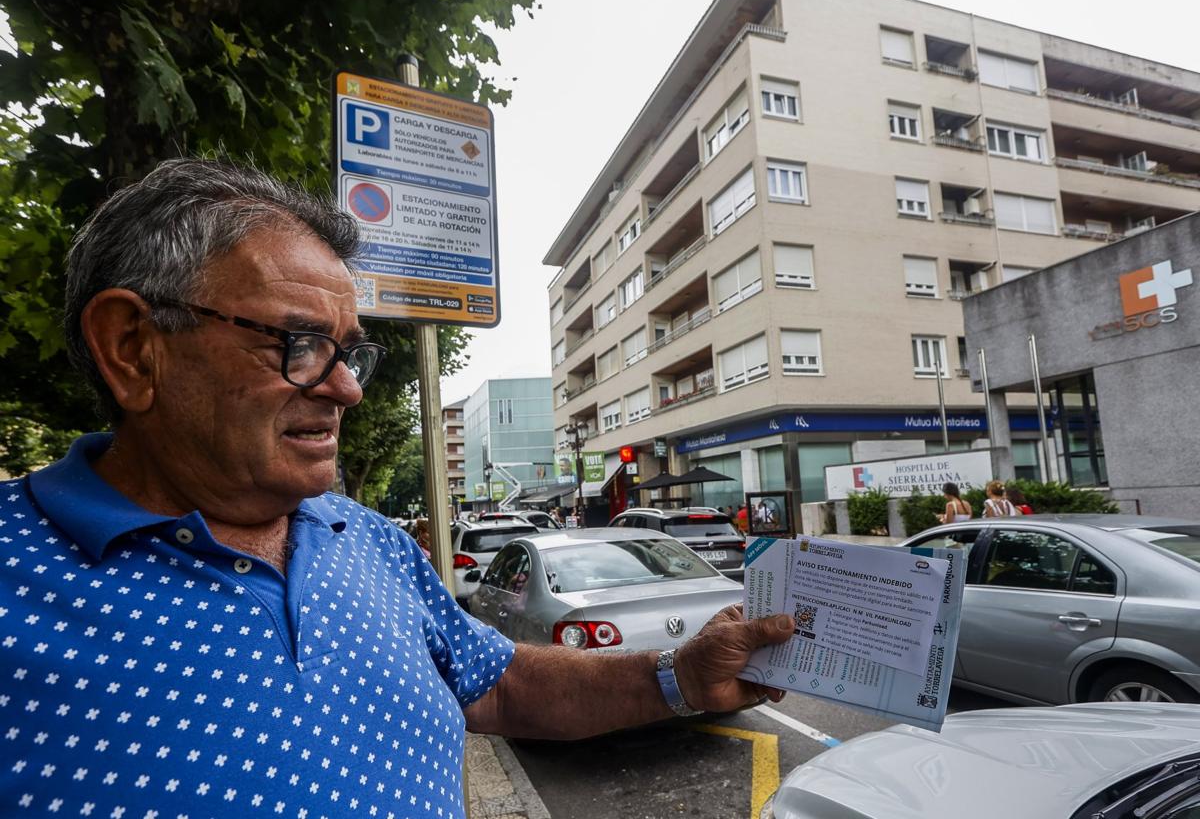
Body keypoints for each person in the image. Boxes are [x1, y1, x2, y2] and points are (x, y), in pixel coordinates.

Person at [0, 158, 794, 817]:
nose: (346, 390)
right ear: (134, 347)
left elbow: (507, 684)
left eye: (350, 352)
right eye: (302, 344)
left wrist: (681, 677)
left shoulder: (371, 540)